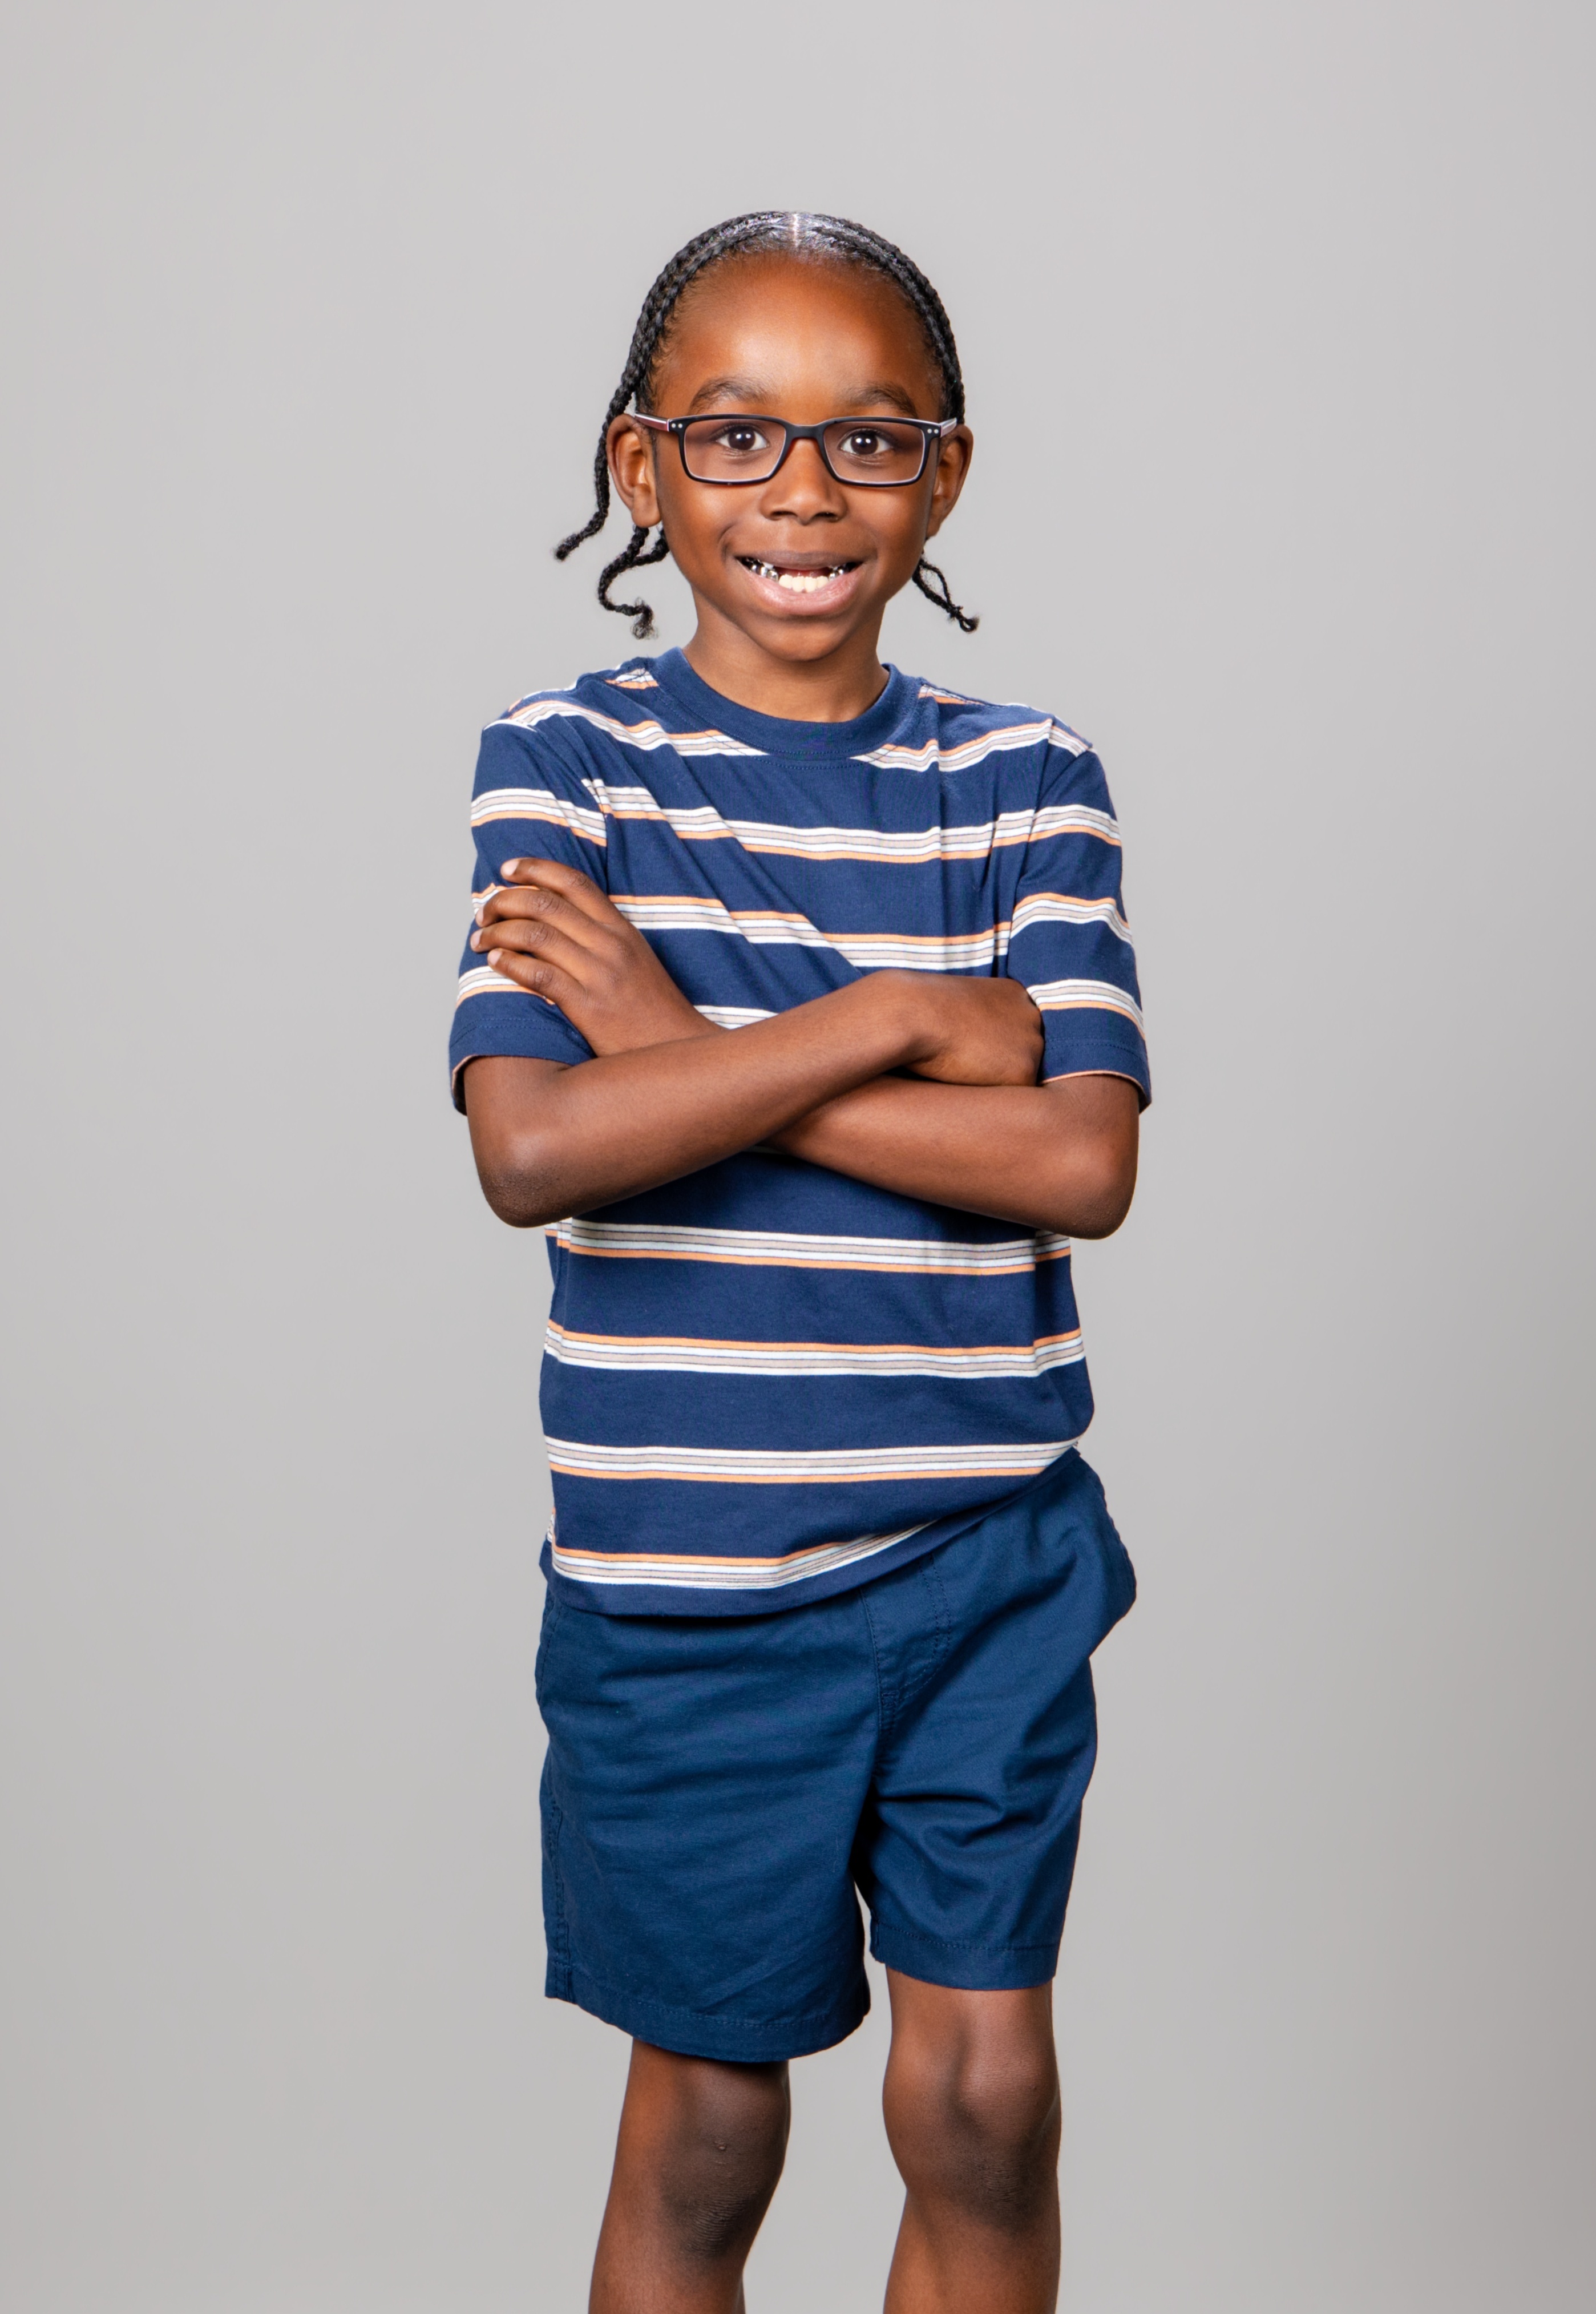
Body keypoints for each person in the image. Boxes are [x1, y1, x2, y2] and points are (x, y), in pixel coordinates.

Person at [450, 212, 1150, 2314]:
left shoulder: (1023, 779)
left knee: (989, 2104)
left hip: (983, 1555)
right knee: (710, 2125)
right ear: (640, 465)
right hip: (686, 1589)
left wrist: (685, 1044)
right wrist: (893, 1020)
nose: (803, 492)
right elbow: (536, 1145)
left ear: (943, 473)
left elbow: (1077, 1161)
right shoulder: (566, 760)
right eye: (735, 435)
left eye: (868, 438)